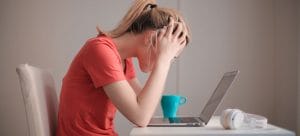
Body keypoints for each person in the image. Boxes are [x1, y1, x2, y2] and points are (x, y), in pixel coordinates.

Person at [56, 0, 191, 135]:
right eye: (169, 53)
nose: (169, 59)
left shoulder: (123, 60)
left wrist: (164, 59)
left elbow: (146, 106)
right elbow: (141, 116)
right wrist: (163, 61)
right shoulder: (99, 50)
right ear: (150, 38)